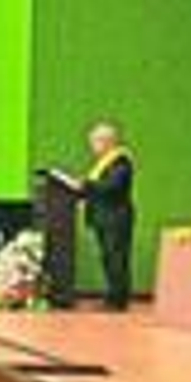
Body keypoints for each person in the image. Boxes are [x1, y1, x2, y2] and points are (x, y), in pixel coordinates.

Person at [56, 122, 136, 310]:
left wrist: (86, 184)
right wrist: (77, 188)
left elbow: (112, 187)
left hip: (115, 217)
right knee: (107, 258)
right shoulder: (102, 164)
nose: (92, 146)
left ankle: (118, 299)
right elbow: (95, 188)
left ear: (107, 142)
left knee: (116, 258)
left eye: (95, 141)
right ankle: (112, 296)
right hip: (103, 217)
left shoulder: (121, 161)